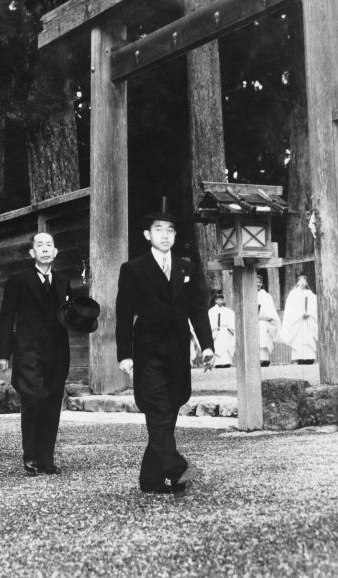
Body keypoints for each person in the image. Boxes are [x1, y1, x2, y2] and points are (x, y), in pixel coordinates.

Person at [115, 200, 215, 494]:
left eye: (170, 230)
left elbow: (198, 309)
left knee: (168, 411)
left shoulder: (187, 267)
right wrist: (125, 355)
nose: (165, 235)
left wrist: (207, 346)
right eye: (158, 229)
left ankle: (151, 480)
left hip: (178, 349)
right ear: (147, 235)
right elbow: (123, 313)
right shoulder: (133, 269)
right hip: (147, 350)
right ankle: (177, 466)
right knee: (157, 409)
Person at [0, 232, 72, 476]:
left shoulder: (63, 281)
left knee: (52, 402)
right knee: (34, 398)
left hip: (58, 352)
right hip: (28, 350)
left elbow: (67, 316)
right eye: (40, 245)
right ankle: (30, 456)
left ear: (55, 251)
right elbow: (7, 317)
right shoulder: (19, 280)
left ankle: (46, 459)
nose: (45, 249)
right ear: (32, 253)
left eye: (49, 245)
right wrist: (2, 353)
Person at [281, 274, 318, 364]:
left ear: (306, 283)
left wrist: (309, 313)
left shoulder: (310, 294)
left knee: (308, 340)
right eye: (300, 281)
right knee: (299, 340)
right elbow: (291, 309)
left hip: (308, 322)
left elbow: (315, 307)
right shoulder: (293, 294)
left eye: (304, 281)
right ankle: (300, 358)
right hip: (298, 323)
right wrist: (301, 314)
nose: (302, 283)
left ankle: (310, 358)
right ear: (297, 282)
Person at [257, 274, 281, 367]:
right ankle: (257, 359)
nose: (258, 284)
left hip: (264, 322)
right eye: (256, 282)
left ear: (262, 284)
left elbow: (271, 309)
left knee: (265, 340)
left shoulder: (266, 296)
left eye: (259, 282)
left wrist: (270, 318)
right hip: (254, 323)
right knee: (256, 341)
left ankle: (265, 359)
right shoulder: (249, 294)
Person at [208, 291, 235, 368]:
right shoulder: (211, 311)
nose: (220, 301)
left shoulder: (227, 311)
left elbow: (231, 319)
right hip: (217, 331)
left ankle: (226, 362)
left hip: (225, 331)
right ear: (215, 300)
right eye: (218, 299)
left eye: (221, 299)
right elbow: (210, 321)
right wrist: (215, 327)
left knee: (226, 347)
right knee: (218, 346)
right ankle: (218, 362)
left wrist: (229, 328)